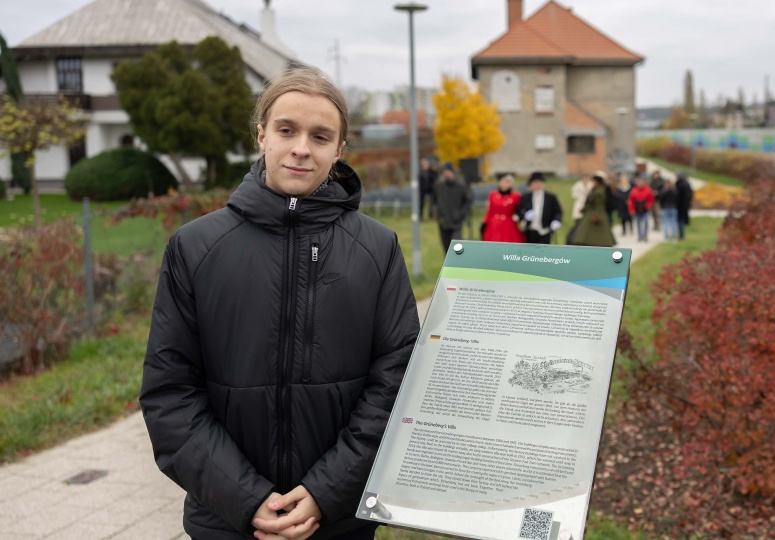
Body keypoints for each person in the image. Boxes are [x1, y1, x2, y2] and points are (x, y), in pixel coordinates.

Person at [139, 67, 420, 540]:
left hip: (338, 522)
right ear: (261, 134)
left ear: (340, 149)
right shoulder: (196, 247)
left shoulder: (377, 248)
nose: (301, 148)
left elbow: (398, 385)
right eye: (287, 130)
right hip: (226, 523)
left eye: (321, 136)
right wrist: (245, 498)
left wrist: (326, 493)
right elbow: (170, 394)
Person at [514, 171, 563, 244]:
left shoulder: (550, 197)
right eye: (535, 183)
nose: (537, 185)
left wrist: (556, 220)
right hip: (529, 231)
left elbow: (558, 211)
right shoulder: (526, 197)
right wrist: (525, 215)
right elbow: (518, 210)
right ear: (531, 184)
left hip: (544, 231)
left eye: (540, 182)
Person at [569, 172, 616, 247]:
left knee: (590, 231)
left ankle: (595, 243)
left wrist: (596, 215)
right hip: (592, 212)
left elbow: (598, 204)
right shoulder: (596, 189)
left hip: (596, 212)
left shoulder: (599, 191)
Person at [433, 162, 472, 252]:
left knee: (456, 246)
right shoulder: (439, 185)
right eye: (444, 172)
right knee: (446, 246)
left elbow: (467, 201)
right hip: (443, 221)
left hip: (456, 221)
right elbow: (434, 200)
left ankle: (457, 264)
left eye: (448, 172)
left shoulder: (460, 185)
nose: (446, 174)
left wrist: (461, 214)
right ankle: (448, 265)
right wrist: (436, 213)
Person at [480, 174, 524, 243]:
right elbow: (490, 211)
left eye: (507, 182)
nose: (504, 184)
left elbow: (519, 210)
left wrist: (518, 217)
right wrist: (484, 223)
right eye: (502, 181)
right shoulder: (493, 195)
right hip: (494, 225)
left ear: (510, 184)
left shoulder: (515, 196)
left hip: (508, 225)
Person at [675, 171, 694, 240]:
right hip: (685, 205)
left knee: (680, 220)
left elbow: (677, 196)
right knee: (682, 220)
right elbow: (691, 194)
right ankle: (681, 234)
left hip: (680, 205)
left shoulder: (678, 185)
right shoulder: (686, 184)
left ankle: (681, 235)